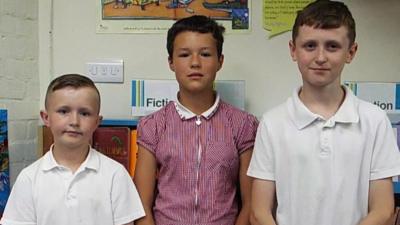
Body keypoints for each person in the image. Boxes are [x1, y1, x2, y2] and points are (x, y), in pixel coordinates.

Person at [247, 1, 400, 225]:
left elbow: (383, 209)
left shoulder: (374, 120)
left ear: (351, 52)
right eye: (310, 45)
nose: (320, 57)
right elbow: (260, 212)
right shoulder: (272, 123)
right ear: (293, 50)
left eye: (332, 46)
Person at [134, 15, 258, 225]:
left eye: (206, 54)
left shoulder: (243, 124)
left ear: (220, 61)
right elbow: (141, 204)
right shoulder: (153, 125)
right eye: (184, 55)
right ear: (171, 62)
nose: (195, 63)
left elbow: (250, 203)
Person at [0, 74, 145, 225]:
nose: (74, 121)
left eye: (84, 113)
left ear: (97, 122)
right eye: (63, 111)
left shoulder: (116, 175)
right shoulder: (29, 179)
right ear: (46, 117)